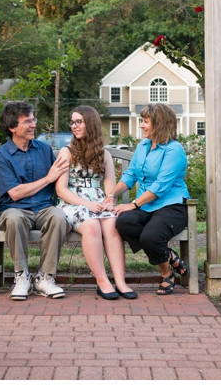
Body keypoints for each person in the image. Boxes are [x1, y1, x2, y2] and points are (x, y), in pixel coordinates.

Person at [107, 103, 191, 296]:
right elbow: (130, 175)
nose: (142, 125)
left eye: (146, 121)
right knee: (124, 222)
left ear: (159, 124)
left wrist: (133, 204)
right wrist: (111, 195)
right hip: (147, 207)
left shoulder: (174, 150)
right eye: (142, 121)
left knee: (150, 237)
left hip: (171, 206)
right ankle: (170, 257)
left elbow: (160, 187)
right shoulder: (143, 146)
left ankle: (166, 273)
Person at [54, 106, 136, 300]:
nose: (74, 126)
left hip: (98, 202)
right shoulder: (67, 152)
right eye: (72, 122)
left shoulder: (104, 154)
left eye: (79, 122)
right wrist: (87, 204)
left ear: (90, 124)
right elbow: (61, 190)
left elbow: (110, 188)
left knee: (112, 224)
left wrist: (109, 200)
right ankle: (102, 281)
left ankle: (120, 281)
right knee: (91, 226)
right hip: (73, 202)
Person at [0, 101, 71, 300]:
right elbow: (15, 193)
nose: (33, 124)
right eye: (27, 121)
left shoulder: (44, 150)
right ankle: (22, 277)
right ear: (12, 127)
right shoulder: (2, 155)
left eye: (33, 119)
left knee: (59, 217)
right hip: (15, 208)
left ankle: (44, 278)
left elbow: (60, 180)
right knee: (13, 219)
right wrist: (47, 178)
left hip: (44, 207)